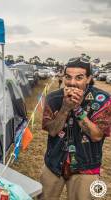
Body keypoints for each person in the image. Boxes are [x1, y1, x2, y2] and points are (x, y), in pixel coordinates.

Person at [40, 57, 111, 200]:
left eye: (79, 78)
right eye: (68, 77)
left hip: (86, 166)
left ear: (89, 78)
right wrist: (65, 108)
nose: (72, 82)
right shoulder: (53, 98)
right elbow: (52, 130)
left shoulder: (103, 99)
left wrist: (78, 109)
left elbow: (96, 135)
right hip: (54, 162)